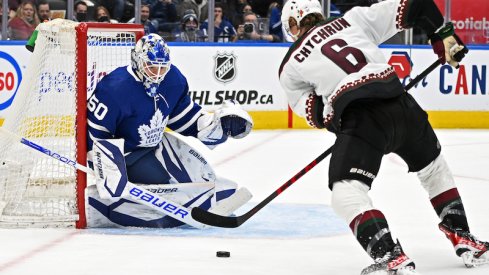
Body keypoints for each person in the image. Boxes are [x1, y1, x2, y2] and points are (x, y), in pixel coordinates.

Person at [278, 0, 487, 274]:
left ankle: (389, 254)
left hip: (362, 118)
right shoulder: (353, 19)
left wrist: (338, 121)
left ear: (293, 24)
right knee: (434, 168)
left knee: (346, 192)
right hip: (401, 103)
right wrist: (443, 35)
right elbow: (418, 5)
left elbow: (316, 114)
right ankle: (463, 236)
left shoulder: (290, 65)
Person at [86, 34, 253, 228]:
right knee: (168, 186)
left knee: (201, 177)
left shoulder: (173, 79)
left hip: (158, 144)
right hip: (127, 155)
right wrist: (108, 169)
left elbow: (183, 117)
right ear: (137, 61)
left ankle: (202, 200)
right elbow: (96, 134)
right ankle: (104, 207)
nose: (157, 73)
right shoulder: (114, 88)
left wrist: (215, 126)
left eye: (162, 66)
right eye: (151, 66)